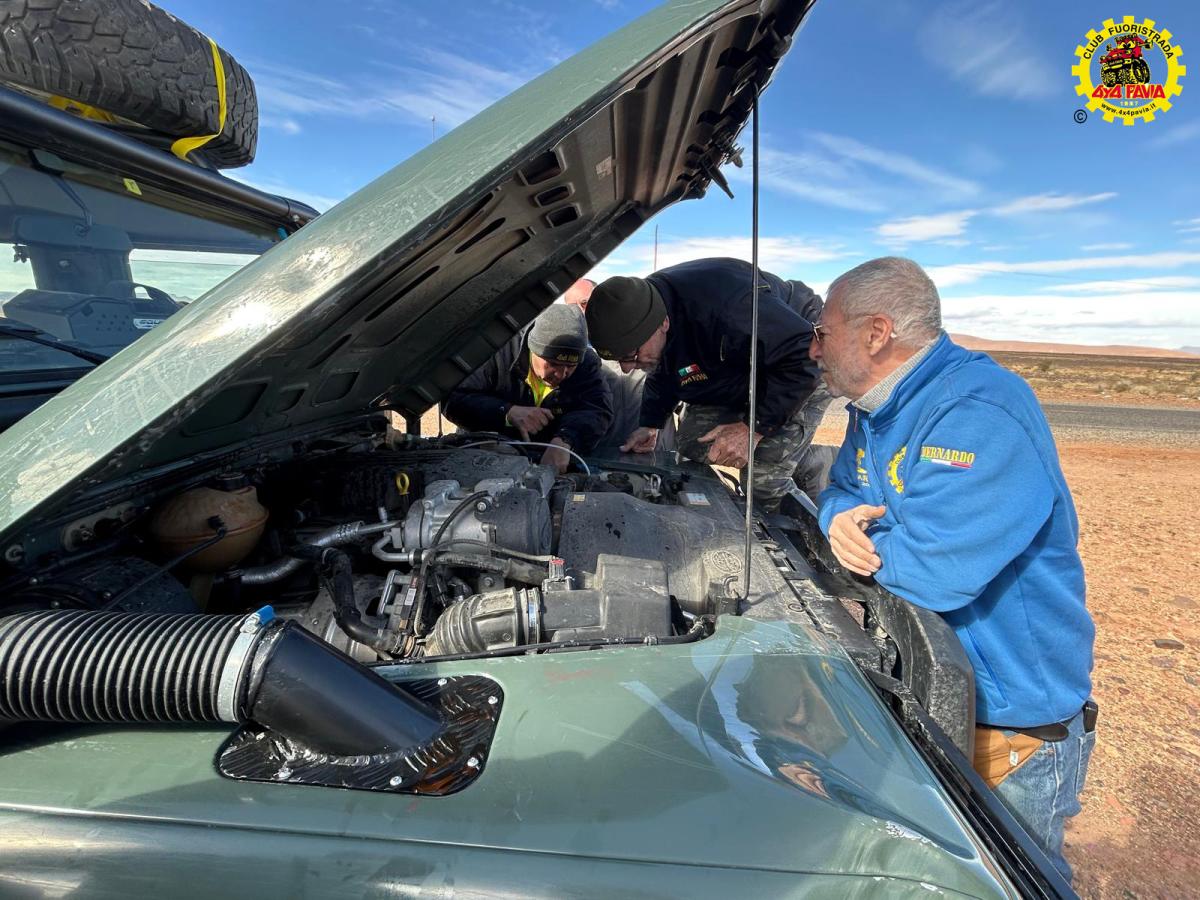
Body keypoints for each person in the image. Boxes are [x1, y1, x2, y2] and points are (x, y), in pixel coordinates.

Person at [812, 256, 1096, 883]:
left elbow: (935, 570)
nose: (812, 349)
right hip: (943, 691)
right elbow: (839, 490)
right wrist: (836, 521)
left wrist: (862, 535)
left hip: (1011, 720)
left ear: (876, 332)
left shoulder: (976, 410)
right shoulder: (877, 408)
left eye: (822, 332)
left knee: (1012, 878)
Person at [585, 257, 829, 510]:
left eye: (631, 356)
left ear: (663, 323)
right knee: (692, 443)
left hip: (801, 358)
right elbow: (662, 369)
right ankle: (783, 451)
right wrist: (651, 424)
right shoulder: (645, 309)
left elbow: (805, 356)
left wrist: (752, 429)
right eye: (619, 359)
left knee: (762, 483)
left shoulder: (731, 306)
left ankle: (803, 464)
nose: (626, 368)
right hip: (738, 367)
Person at [442, 304, 612, 473]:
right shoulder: (497, 351)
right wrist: (507, 412)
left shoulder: (587, 364)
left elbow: (597, 409)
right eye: (553, 364)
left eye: (570, 366)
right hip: (484, 456)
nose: (561, 374)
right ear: (533, 349)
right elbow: (453, 398)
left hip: (551, 460)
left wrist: (566, 440)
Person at [563, 276, 676, 453]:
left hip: (656, 452)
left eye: (586, 304)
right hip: (606, 455)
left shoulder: (654, 344)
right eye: (573, 308)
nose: (581, 312)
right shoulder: (577, 360)